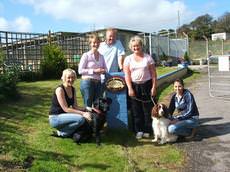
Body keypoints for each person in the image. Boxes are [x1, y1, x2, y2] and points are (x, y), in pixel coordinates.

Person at [123, 35, 157, 139]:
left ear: (141, 45)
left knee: (147, 109)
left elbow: (154, 74)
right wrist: (130, 88)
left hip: (147, 85)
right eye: (133, 46)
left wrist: (154, 87)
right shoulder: (128, 59)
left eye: (137, 46)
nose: (136, 48)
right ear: (131, 47)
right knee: (136, 109)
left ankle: (147, 130)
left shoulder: (148, 58)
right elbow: (127, 75)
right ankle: (139, 130)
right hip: (134, 86)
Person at [49, 68, 92, 138]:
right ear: (64, 78)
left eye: (72, 77)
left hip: (64, 116)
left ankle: (66, 131)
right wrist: (83, 113)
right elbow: (66, 109)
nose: (71, 80)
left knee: (82, 119)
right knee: (81, 119)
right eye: (68, 77)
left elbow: (75, 106)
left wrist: (87, 109)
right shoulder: (60, 90)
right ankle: (62, 133)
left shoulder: (73, 89)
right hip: (55, 118)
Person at [78, 34, 107, 107]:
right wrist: (94, 71)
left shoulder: (101, 56)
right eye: (94, 42)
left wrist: (103, 70)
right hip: (87, 83)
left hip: (99, 84)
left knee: (97, 105)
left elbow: (106, 69)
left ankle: (95, 118)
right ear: (90, 44)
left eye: (97, 42)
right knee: (88, 106)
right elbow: (80, 70)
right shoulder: (86, 55)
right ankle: (87, 118)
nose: (96, 44)